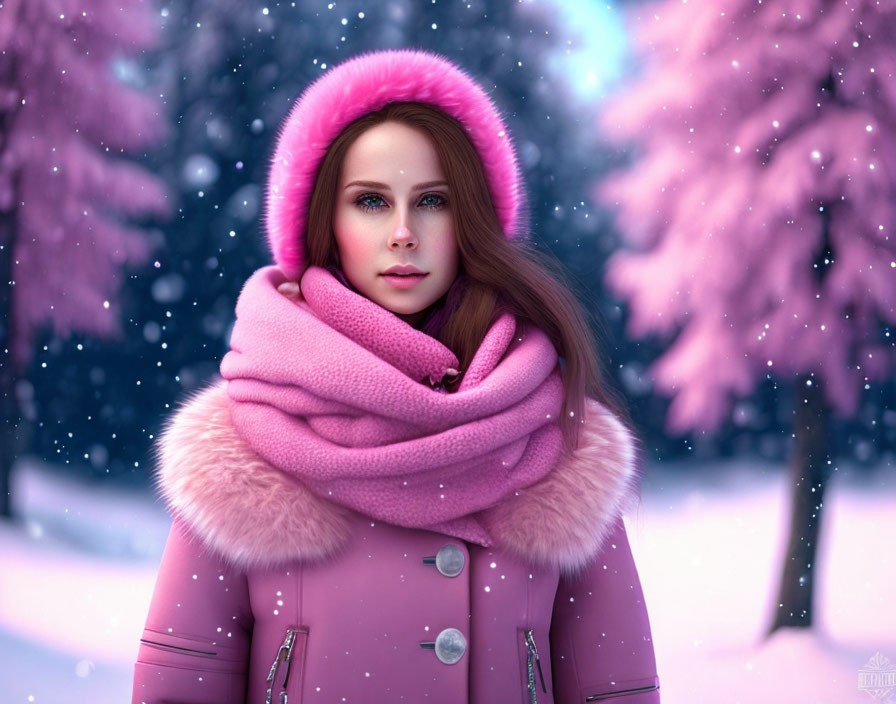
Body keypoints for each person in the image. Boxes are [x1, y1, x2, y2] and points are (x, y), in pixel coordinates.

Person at [132, 48, 660, 704]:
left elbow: (614, 687)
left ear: (472, 220)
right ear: (324, 219)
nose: (404, 232)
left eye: (433, 200)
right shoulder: (245, 445)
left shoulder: (556, 441)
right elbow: (181, 688)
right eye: (372, 201)